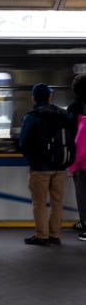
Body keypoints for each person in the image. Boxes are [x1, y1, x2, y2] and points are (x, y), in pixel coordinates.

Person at [19, 83, 69, 246]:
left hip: (40, 167)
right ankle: (54, 235)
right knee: (57, 202)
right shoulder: (63, 115)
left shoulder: (31, 117)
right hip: (60, 166)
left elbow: (23, 142)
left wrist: (32, 159)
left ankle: (42, 236)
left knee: (39, 203)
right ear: (49, 97)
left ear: (33, 98)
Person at [66, 74, 86, 238]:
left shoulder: (75, 107)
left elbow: (76, 138)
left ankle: (85, 222)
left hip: (82, 159)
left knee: (82, 192)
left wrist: (72, 164)